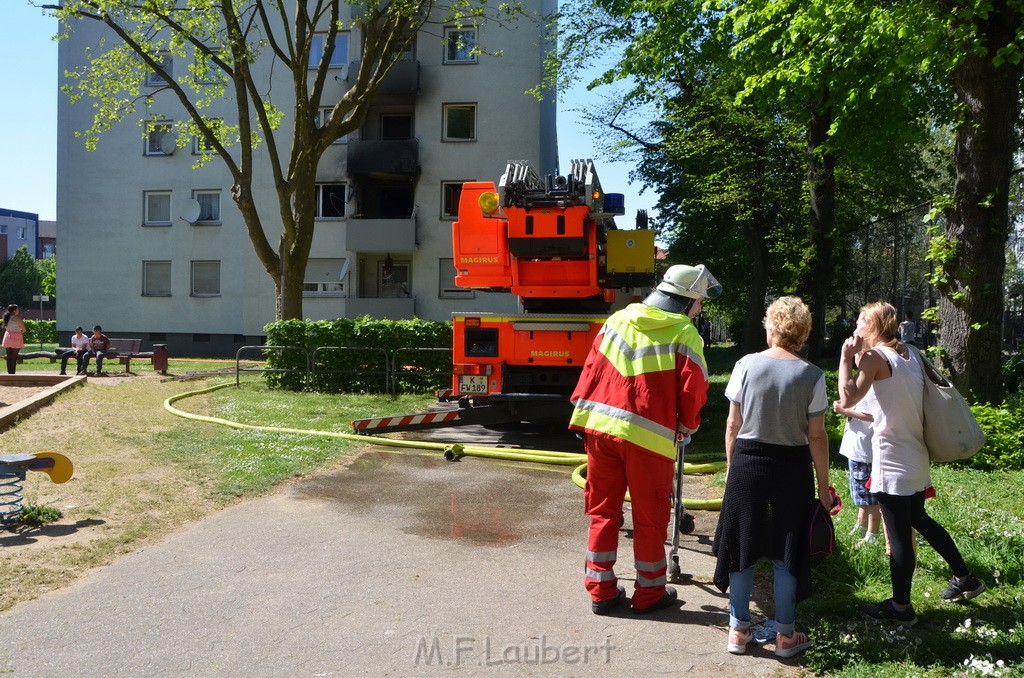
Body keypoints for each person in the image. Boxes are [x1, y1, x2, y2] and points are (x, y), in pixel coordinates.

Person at [570, 263, 721, 616]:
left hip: (599, 430)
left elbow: (591, 369)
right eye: (698, 302)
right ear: (685, 300)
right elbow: (692, 388)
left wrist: (582, 416)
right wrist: (686, 427)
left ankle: (601, 591)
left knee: (603, 512)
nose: (699, 308)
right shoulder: (684, 332)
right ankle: (650, 594)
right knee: (650, 517)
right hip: (648, 440)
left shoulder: (617, 319)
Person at [838, 301, 985, 627]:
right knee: (920, 518)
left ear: (874, 325)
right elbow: (884, 410)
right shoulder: (911, 354)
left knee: (900, 535)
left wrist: (846, 359)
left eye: (861, 321)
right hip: (915, 454)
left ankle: (901, 608)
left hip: (891, 459)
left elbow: (848, 396)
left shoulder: (874, 357)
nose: (856, 327)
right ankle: (965, 578)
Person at [712, 296, 831, 658]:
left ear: (772, 328)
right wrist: (824, 486)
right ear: (803, 332)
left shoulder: (746, 365)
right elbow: (816, 435)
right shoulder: (813, 375)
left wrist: (733, 469)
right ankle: (785, 636)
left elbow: (733, 423)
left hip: (747, 463)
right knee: (787, 550)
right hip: (791, 468)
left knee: (742, 546)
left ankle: (738, 631)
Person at [833, 352, 882, 548]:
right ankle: (861, 525)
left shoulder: (876, 383)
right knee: (860, 491)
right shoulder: (859, 380)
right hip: (855, 445)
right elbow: (848, 397)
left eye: (861, 355)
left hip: (867, 446)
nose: (858, 358)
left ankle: (873, 532)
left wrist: (845, 411)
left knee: (871, 495)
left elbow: (873, 415)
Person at [2, 304, 27, 375]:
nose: (18, 310)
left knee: (9, 357)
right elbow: (24, 329)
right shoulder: (17, 318)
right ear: (14, 310)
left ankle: (9, 373)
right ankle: (13, 374)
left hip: (7, 336)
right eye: (17, 309)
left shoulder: (6, 317)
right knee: (14, 357)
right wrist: (20, 332)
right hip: (16, 337)